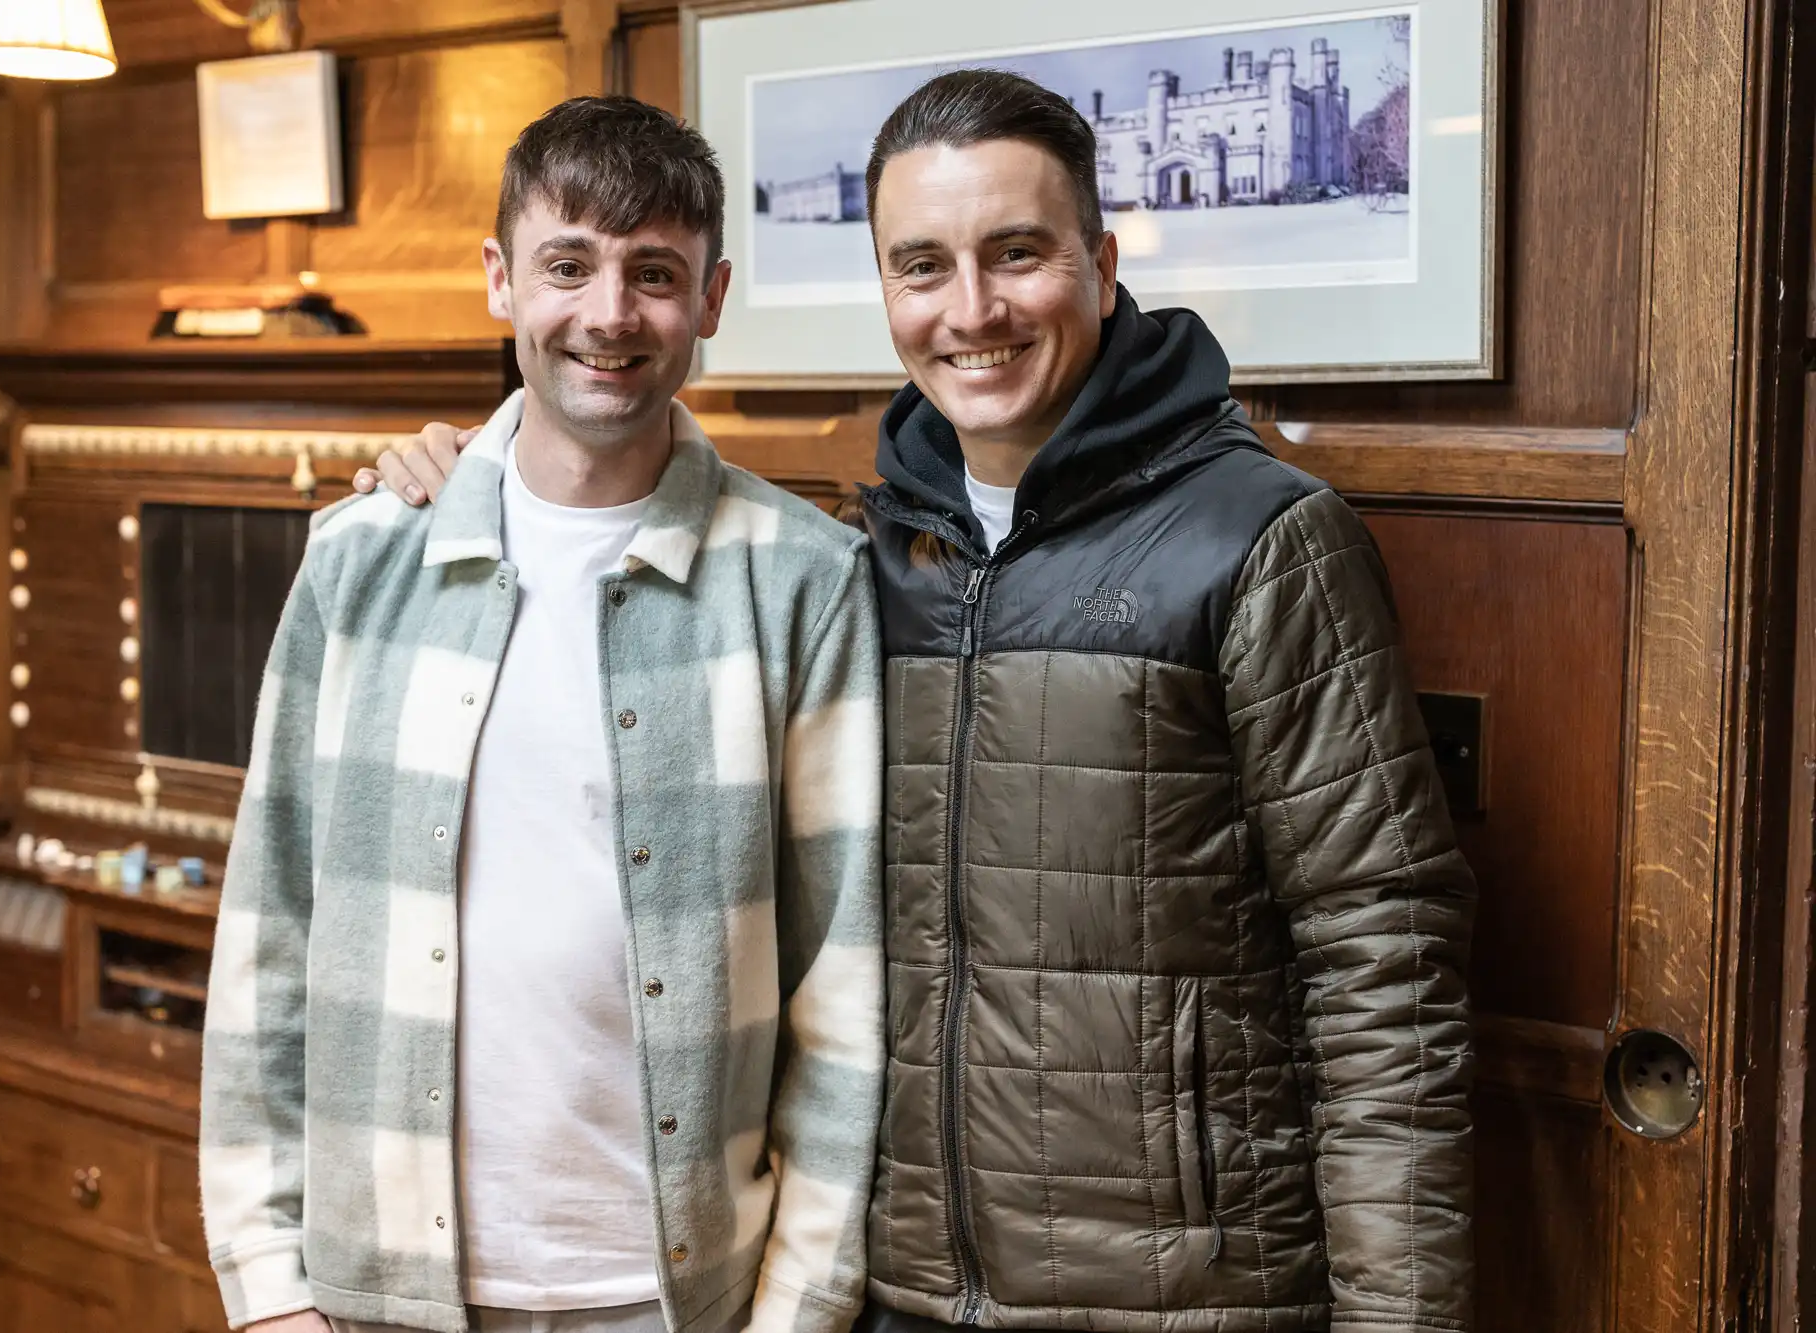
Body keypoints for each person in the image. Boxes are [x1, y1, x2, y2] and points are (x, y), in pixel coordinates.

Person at [363, 70, 1477, 1333]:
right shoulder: (855, 559)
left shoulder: (1262, 540)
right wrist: (468, 474)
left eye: (1016, 254)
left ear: (1101, 266)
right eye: (921, 266)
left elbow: (1381, 966)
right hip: (892, 1291)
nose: (972, 310)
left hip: (1183, 1298)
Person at [202, 96, 885, 1333]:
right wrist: (265, 1287)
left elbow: (842, 996)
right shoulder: (362, 560)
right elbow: (271, 933)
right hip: (375, 1295)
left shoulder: (803, 581)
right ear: (499, 281)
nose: (609, 315)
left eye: (654, 273)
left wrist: (799, 1312)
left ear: (712, 298)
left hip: (675, 1298)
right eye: (567, 265)